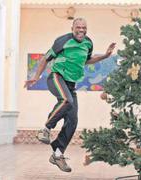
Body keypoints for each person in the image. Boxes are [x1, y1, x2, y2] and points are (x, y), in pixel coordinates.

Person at [24, 17, 116, 172]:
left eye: (84, 28)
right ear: (72, 28)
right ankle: (45, 129)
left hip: (71, 84)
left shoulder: (88, 43)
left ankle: (57, 155)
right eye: (78, 27)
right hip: (57, 77)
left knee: (73, 121)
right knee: (67, 100)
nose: (81, 30)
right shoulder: (62, 41)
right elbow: (45, 59)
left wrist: (105, 56)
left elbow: (88, 60)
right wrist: (35, 77)